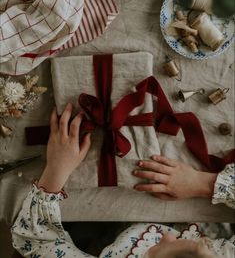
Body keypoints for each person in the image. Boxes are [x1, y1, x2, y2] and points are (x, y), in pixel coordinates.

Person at [11, 104, 235, 258]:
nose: (167, 235)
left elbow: (35, 240)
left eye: (154, 253)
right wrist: (204, 184)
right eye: (202, 245)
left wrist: (55, 170)